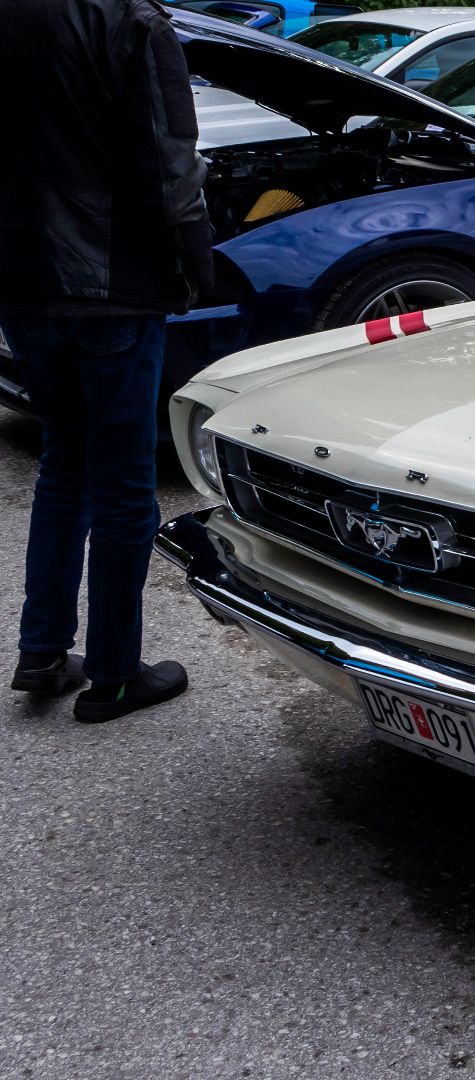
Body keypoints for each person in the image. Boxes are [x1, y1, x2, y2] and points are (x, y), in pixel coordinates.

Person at [0, 0, 208, 722]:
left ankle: (42, 652)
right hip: (114, 284)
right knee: (123, 486)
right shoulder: (133, 22)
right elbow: (171, 163)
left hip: (24, 282)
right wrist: (191, 265)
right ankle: (116, 676)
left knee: (66, 463)